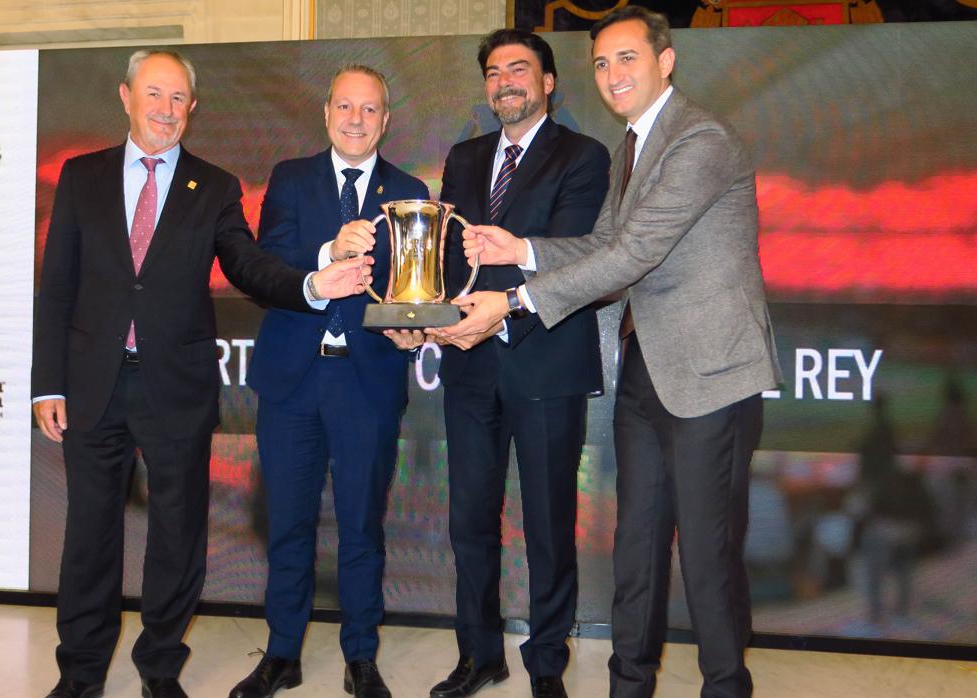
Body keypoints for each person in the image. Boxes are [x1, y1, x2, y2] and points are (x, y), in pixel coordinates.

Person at [448, 8, 781, 698]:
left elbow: (632, 254)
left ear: (665, 62)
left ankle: (725, 685)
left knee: (707, 557)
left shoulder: (700, 140)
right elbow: (601, 242)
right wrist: (522, 250)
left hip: (710, 377)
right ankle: (628, 685)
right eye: (600, 63)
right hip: (644, 372)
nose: (611, 74)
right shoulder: (632, 146)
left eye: (625, 58)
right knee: (634, 548)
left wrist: (513, 300)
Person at [31, 50, 372, 698]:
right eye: (154, 94)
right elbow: (57, 289)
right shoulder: (81, 177)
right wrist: (47, 382)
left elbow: (249, 266)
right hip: (91, 385)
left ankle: (159, 668)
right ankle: (79, 675)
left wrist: (311, 283)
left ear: (193, 108)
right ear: (126, 95)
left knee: (178, 537)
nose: (166, 109)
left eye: (179, 98)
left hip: (176, 388)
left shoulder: (212, 187)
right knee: (88, 539)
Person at [391, 28, 610, 698]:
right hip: (469, 366)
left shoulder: (584, 155)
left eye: (519, 68)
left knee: (546, 526)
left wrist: (512, 265)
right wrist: (420, 322)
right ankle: (478, 655)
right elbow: (447, 260)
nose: (504, 80)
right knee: (468, 521)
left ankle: (546, 668)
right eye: (492, 71)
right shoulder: (463, 157)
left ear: (548, 83)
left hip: (545, 361)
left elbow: (578, 252)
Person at [230, 65, 428, 698]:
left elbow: (413, 292)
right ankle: (282, 653)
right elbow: (265, 263)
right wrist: (328, 251)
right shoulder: (290, 178)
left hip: (367, 383)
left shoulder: (409, 191)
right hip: (292, 379)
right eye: (346, 106)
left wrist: (417, 327)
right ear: (326, 113)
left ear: (386, 120)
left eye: (370, 110)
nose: (356, 119)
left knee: (362, 526)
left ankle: (360, 656)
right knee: (287, 523)